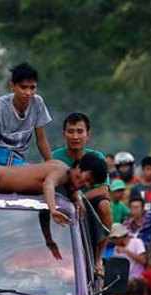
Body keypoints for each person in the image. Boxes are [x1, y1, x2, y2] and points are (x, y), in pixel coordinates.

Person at [51, 112, 110, 274]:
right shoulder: (54, 157)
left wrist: (80, 200)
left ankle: (98, 258)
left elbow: (103, 188)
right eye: (70, 131)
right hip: (61, 203)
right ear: (64, 134)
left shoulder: (97, 157)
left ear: (88, 135)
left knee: (105, 205)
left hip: (88, 203)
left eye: (80, 131)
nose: (75, 136)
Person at [0, 62, 52, 165]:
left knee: (56, 168)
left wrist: (50, 164)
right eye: (23, 87)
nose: (28, 93)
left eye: (32, 88)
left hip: (19, 159)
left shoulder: (37, 102)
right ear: (12, 86)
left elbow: (41, 140)